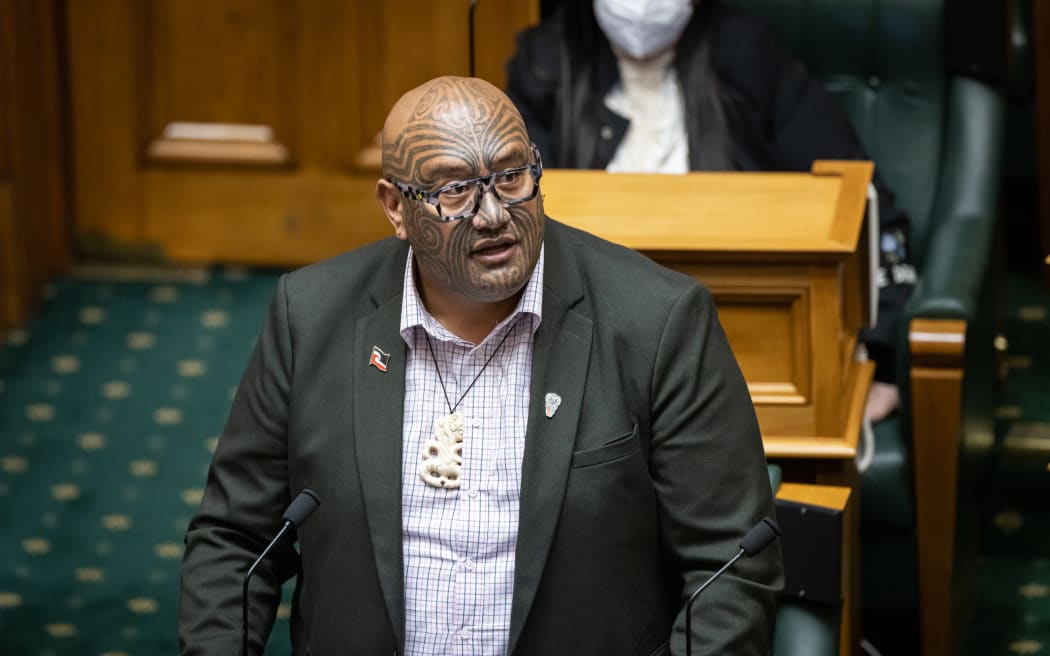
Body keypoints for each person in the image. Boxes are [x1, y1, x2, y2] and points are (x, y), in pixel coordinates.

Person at [179, 75, 783, 655]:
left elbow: (731, 565)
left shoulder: (658, 321)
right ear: (395, 207)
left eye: (513, 175)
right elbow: (236, 542)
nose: (493, 215)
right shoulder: (310, 317)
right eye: (453, 191)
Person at [506, 0, 918, 423]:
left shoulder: (748, 53)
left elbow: (858, 201)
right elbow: (520, 222)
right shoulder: (545, 63)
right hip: (594, 349)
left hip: (741, 340)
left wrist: (883, 360)